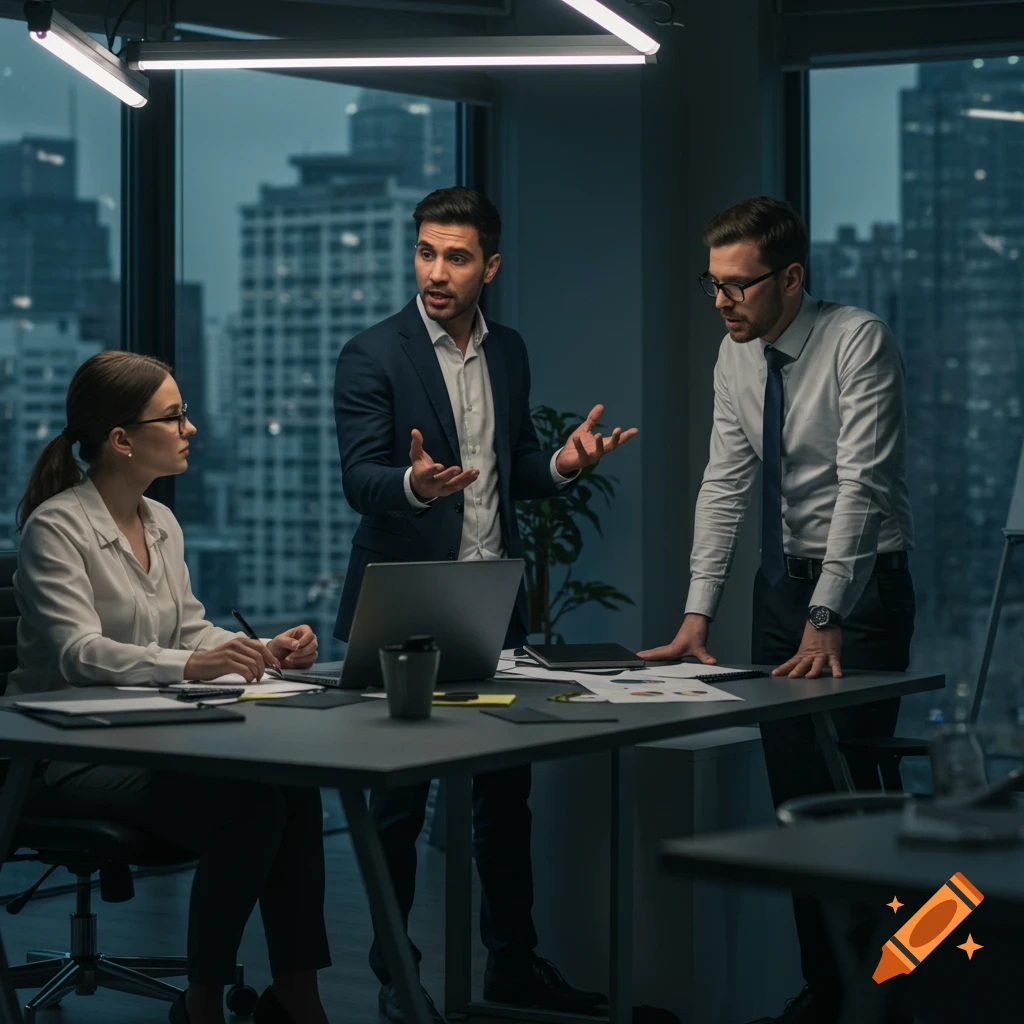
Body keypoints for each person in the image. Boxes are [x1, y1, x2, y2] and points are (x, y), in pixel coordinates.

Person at [334, 186, 637, 1023]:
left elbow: (518, 472)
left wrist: (566, 465)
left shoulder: (507, 352)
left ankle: (512, 966)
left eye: (457, 256)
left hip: (492, 601)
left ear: (490, 267)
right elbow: (360, 479)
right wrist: (412, 482)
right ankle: (398, 975)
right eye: (427, 252)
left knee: (505, 800)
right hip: (404, 603)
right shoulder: (372, 354)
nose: (437, 271)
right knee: (398, 807)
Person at [639, 197, 915, 1024]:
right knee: (798, 806)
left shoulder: (857, 339)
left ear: (791, 278)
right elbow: (725, 486)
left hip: (861, 592)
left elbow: (862, 486)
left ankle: (897, 991)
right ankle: (828, 995)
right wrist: (698, 614)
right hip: (779, 591)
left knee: (857, 798)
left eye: (738, 286)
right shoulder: (737, 356)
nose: (719, 302)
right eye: (711, 284)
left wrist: (827, 613)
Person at [11, 351, 332, 1024]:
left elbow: (188, 630)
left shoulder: (162, 522)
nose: (191, 428)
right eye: (175, 415)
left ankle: (296, 995)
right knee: (252, 808)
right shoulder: (56, 529)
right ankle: (204, 1004)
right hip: (66, 758)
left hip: (147, 740)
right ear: (122, 438)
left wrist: (260, 652)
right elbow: (78, 653)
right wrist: (190, 667)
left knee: (294, 786)